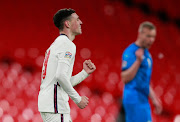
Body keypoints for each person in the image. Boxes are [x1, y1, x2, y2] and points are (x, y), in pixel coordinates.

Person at [38, 8, 96, 122]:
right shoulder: (67, 44)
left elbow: (60, 81)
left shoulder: (54, 45)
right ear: (67, 23)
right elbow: (60, 76)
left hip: (49, 106)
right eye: (77, 19)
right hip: (56, 107)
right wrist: (78, 99)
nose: (81, 22)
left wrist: (84, 73)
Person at [121, 21, 162, 122]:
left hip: (143, 100)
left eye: (153, 37)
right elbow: (125, 78)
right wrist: (138, 61)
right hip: (134, 99)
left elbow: (145, 81)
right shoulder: (131, 52)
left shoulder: (146, 54)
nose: (151, 40)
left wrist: (154, 99)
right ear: (140, 34)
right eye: (148, 36)